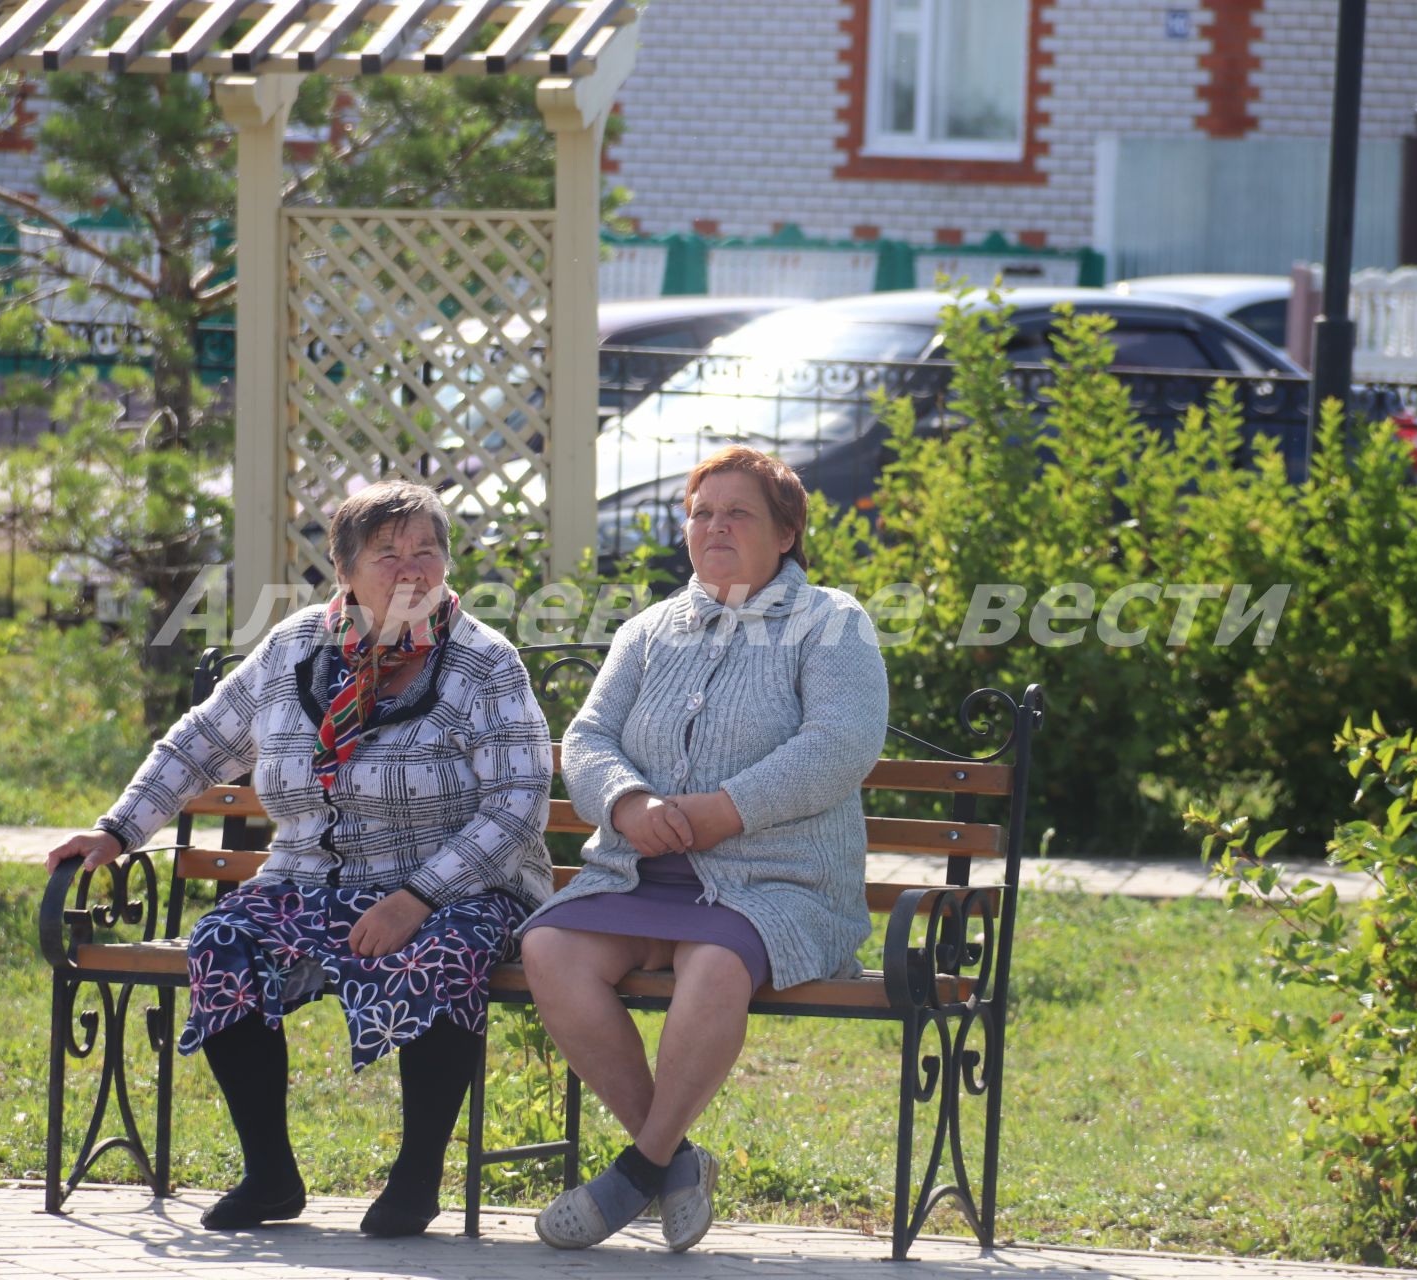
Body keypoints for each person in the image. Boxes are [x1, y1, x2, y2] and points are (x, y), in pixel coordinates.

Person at [43, 479, 553, 1236]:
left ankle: (416, 1181)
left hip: (459, 886)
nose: (412, 569)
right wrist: (117, 832)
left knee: (442, 951)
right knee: (225, 941)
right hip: (310, 880)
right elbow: (198, 743)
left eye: (427, 551)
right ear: (344, 571)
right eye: (388, 554)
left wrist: (414, 898)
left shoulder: (486, 662)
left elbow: (518, 803)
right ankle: (271, 1176)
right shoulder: (293, 649)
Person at [518, 445, 889, 1253]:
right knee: (550, 947)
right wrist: (628, 800)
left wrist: (728, 810)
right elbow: (587, 739)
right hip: (640, 871)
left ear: (786, 533)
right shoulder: (649, 629)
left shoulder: (832, 622)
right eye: (702, 513)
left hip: (777, 883)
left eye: (739, 513)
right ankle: (678, 1162)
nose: (715, 527)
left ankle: (636, 1171)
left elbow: (841, 743)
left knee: (714, 963)